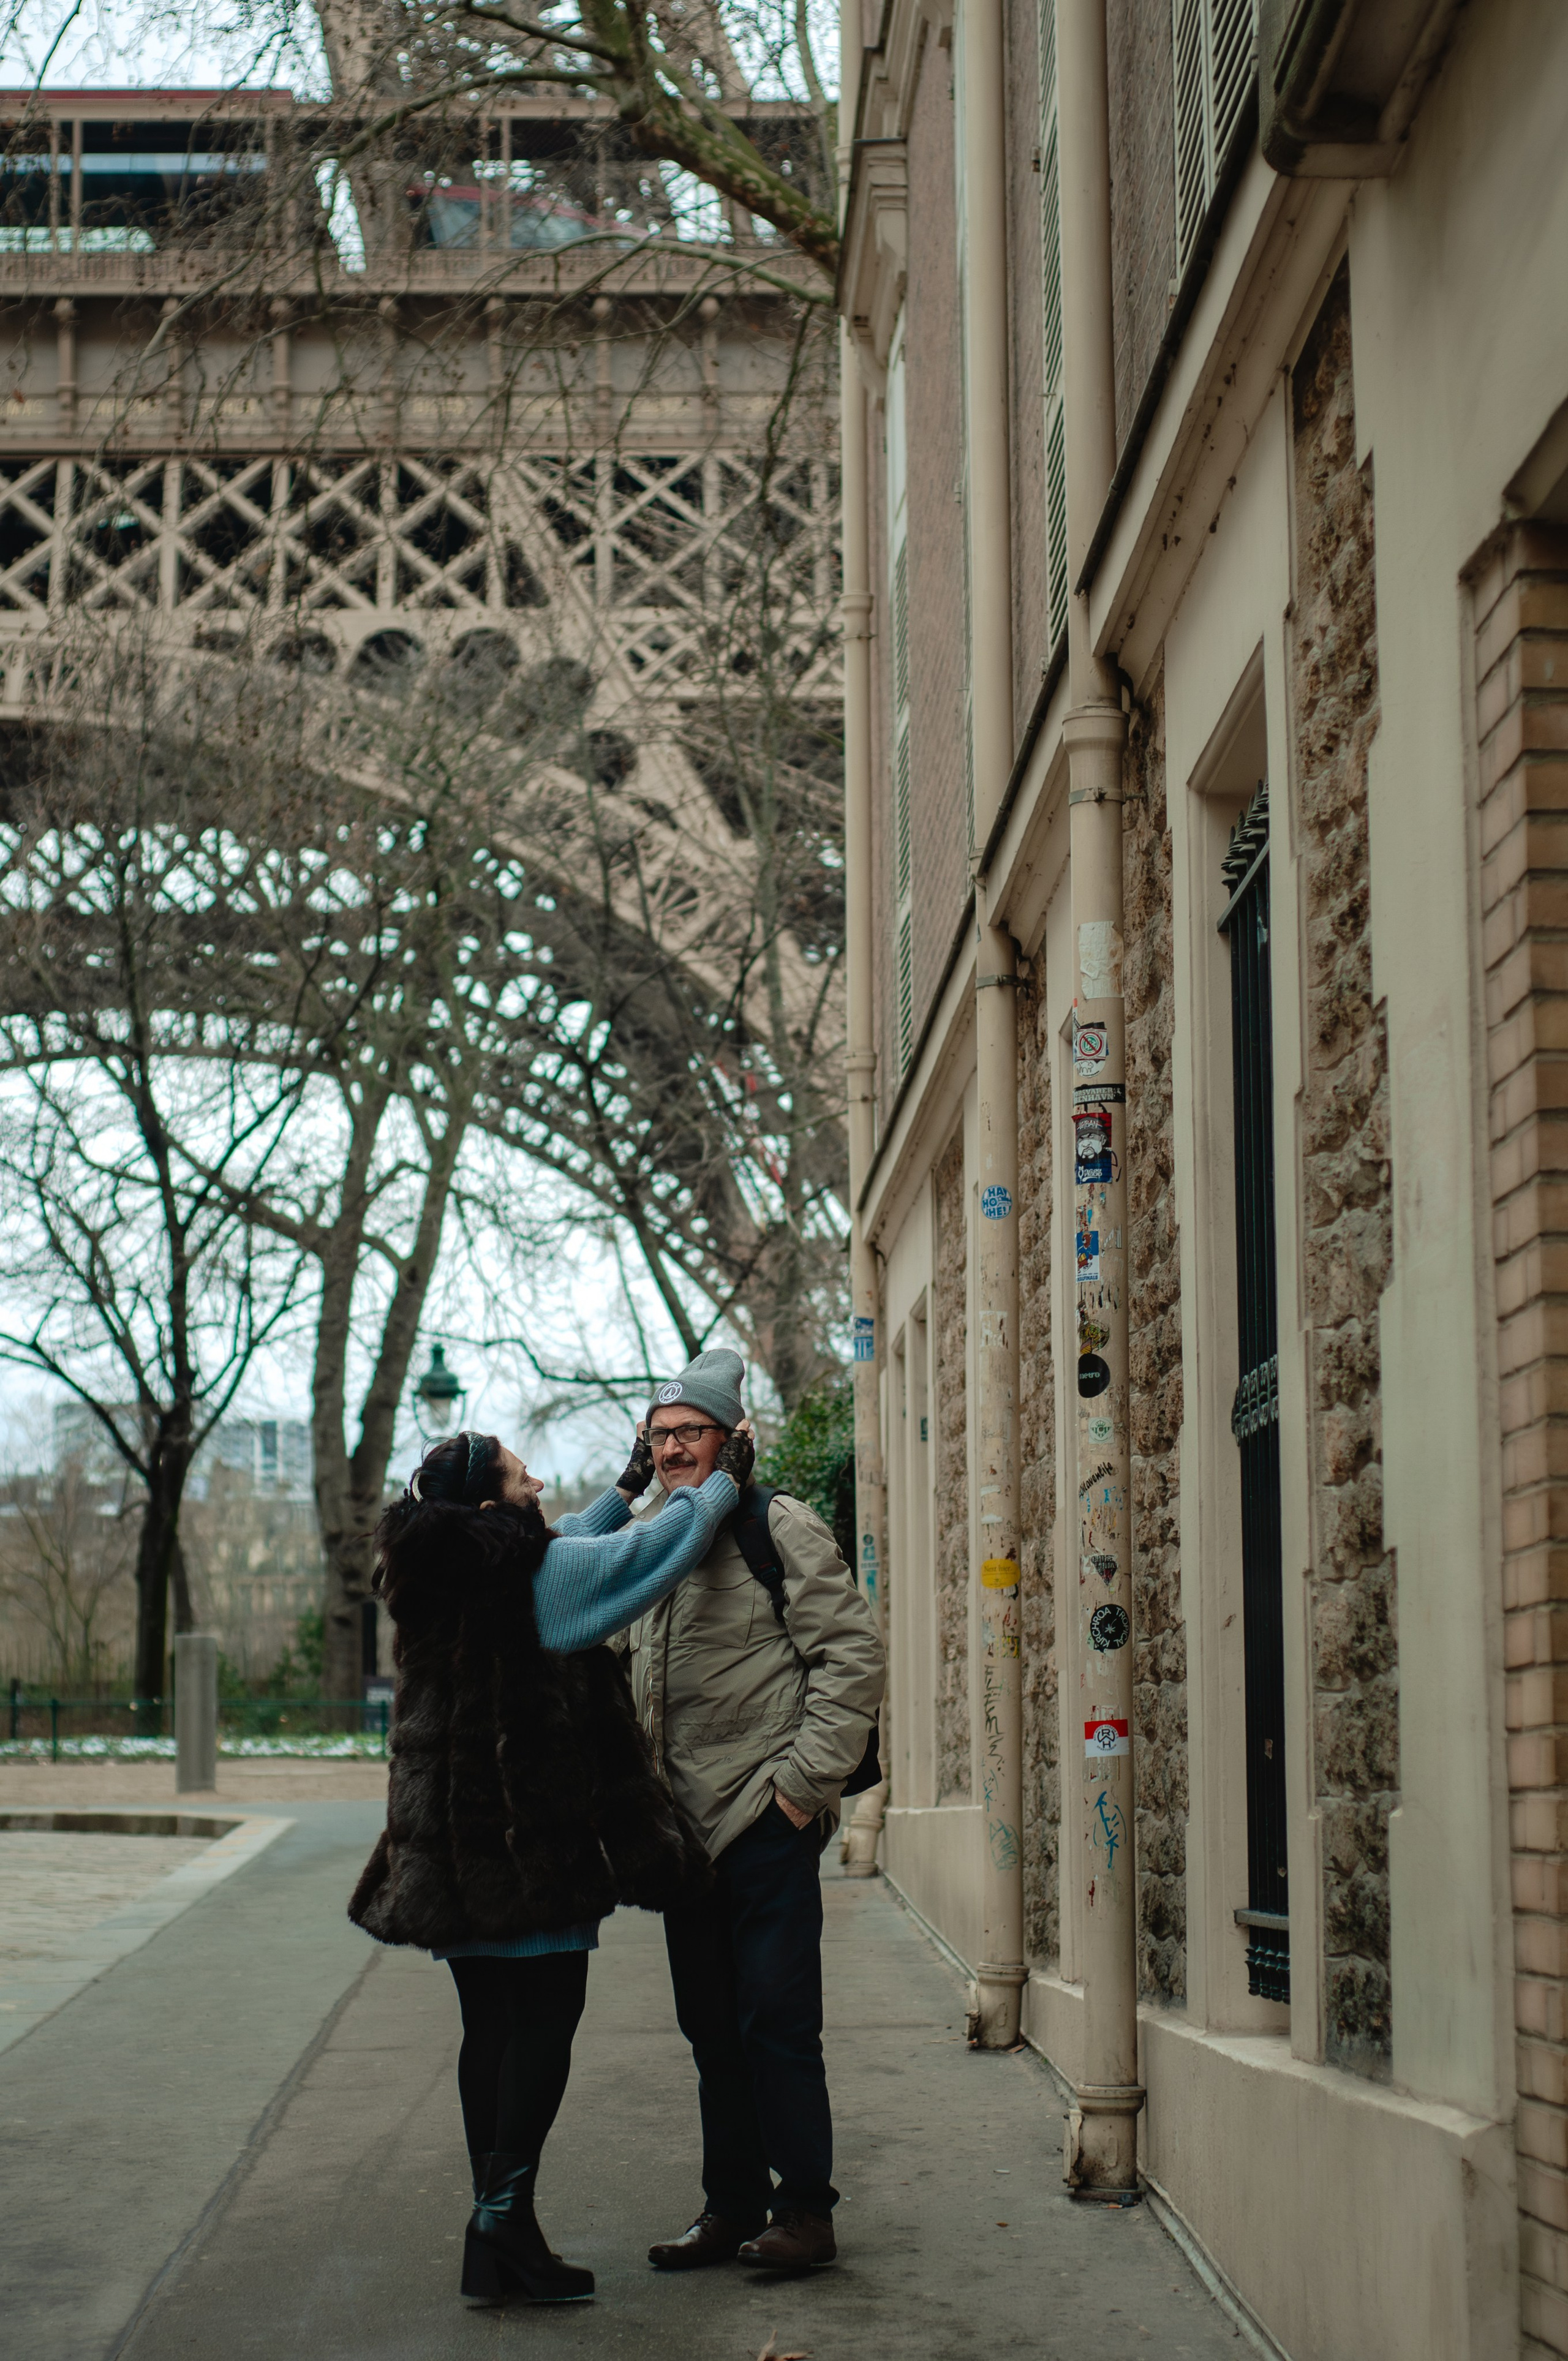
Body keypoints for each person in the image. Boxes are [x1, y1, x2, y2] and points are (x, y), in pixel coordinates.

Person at [348, 1417, 753, 2309]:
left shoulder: (438, 1570)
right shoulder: (545, 1577)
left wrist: (623, 1486)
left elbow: (561, 1542)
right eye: (523, 1478)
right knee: (544, 2024)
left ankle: (501, 2232)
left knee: (488, 2031)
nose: (538, 1490)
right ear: (491, 1502)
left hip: (453, 1854)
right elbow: (652, 1555)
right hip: (531, 1847)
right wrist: (716, 1488)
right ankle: (502, 2223)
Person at [626, 1349, 885, 2276]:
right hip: (682, 1837)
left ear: (732, 1438)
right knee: (710, 2032)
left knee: (776, 2023)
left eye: (687, 1434)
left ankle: (805, 2211)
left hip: (763, 1822)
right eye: (658, 1438)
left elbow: (850, 1659)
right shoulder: (653, 1533)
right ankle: (729, 2207)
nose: (671, 1452)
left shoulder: (778, 1525)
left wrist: (797, 1794)